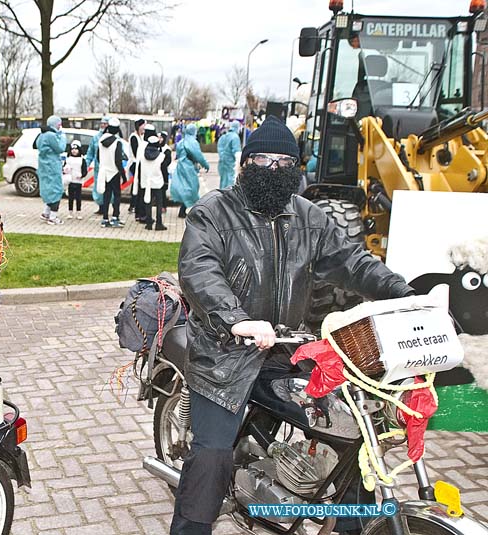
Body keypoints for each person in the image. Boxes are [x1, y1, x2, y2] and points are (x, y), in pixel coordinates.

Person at [170, 116, 415, 535]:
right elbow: (199, 271)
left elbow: (354, 263)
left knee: (348, 426)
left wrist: (405, 294)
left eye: (284, 161)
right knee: (211, 456)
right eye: (262, 158)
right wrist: (238, 321)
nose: (273, 168)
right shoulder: (213, 213)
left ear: (297, 168)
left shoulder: (309, 217)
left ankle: (348, 525)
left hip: (286, 350)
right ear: (246, 163)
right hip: (223, 355)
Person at [171, 123, 209, 218]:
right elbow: (198, 155)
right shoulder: (193, 142)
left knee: (184, 187)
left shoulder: (181, 142)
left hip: (181, 166)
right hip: (189, 167)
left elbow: (178, 154)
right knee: (192, 188)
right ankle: (191, 209)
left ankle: (183, 209)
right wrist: (205, 164)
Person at [37, 115, 67, 226]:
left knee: (48, 190)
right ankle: (53, 217)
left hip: (44, 167)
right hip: (52, 167)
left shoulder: (42, 135)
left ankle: (46, 212)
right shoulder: (51, 135)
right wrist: (62, 137)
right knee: (56, 190)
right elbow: (60, 148)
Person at [96, 117, 126, 228]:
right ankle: (115, 217)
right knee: (117, 195)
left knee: (106, 195)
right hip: (114, 172)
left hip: (104, 171)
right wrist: (123, 174)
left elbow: (98, 156)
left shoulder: (101, 139)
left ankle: (105, 218)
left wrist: (103, 165)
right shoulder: (117, 142)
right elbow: (118, 160)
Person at [138, 133, 168, 231]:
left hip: (146, 182)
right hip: (157, 182)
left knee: (148, 202)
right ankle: (159, 223)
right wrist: (165, 182)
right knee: (159, 203)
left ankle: (148, 223)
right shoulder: (161, 156)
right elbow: (164, 170)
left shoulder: (143, 156)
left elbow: (139, 170)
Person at [85, 116, 110, 213]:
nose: (103, 125)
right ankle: (101, 206)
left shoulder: (113, 137)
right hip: (98, 168)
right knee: (98, 187)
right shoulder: (95, 138)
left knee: (108, 188)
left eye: (105, 124)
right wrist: (86, 164)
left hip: (109, 168)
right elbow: (90, 152)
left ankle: (107, 207)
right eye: (102, 124)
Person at [63, 139, 87, 219]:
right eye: (72, 149)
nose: (74, 151)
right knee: (70, 197)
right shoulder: (68, 159)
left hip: (78, 181)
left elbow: (84, 170)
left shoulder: (82, 159)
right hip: (70, 181)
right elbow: (64, 168)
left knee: (78, 198)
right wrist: (65, 170)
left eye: (76, 149)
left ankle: (78, 212)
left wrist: (82, 175)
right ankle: (70, 212)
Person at [128, 118, 146, 215]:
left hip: (139, 163)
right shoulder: (134, 137)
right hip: (135, 163)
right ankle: (133, 205)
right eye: (143, 125)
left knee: (136, 184)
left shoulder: (141, 137)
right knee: (136, 184)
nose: (144, 128)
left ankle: (133, 204)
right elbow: (136, 152)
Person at [216, 121, 241, 189]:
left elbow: (219, 149)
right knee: (230, 183)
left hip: (222, 163)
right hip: (231, 164)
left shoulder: (223, 137)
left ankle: (221, 197)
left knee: (223, 181)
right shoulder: (235, 137)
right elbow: (237, 153)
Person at [158, 130, 173, 214]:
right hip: (156, 172)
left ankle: (163, 206)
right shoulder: (156, 147)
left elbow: (168, 161)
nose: (160, 139)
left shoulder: (167, 149)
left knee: (163, 190)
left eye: (161, 138)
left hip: (163, 173)